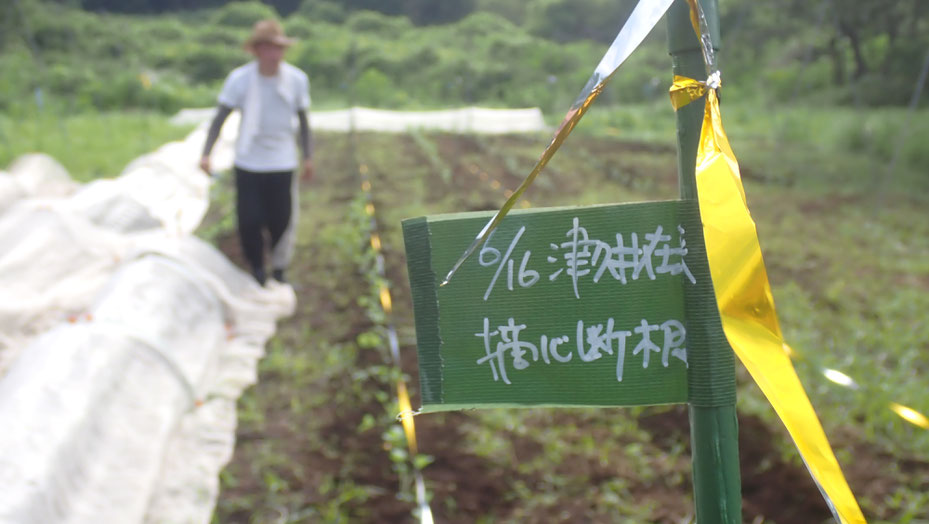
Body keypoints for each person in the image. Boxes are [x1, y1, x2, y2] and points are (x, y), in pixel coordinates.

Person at [200, 19, 313, 286]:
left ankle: (278, 268)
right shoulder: (240, 80)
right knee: (249, 221)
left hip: (282, 162)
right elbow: (220, 118)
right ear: (257, 50)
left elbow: (305, 122)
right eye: (269, 48)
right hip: (249, 161)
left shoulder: (296, 80)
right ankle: (257, 270)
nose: (274, 55)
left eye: (279, 49)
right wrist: (206, 153)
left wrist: (308, 156)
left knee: (281, 220)